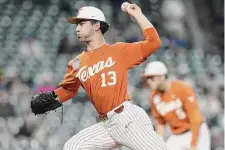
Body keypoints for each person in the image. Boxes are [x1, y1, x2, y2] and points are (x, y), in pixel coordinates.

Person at [31, 3, 168, 150]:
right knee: (73, 146)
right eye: (77, 25)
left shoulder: (118, 51)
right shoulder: (76, 63)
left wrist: (138, 15)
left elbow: (153, 42)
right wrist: (53, 97)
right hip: (106, 125)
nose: (77, 28)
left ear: (96, 25)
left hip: (127, 119)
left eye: (82, 23)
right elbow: (68, 90)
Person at [143, 61, 210, 150]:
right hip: (177, 135)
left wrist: (193, 145)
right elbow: (160, 123)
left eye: (151, 78)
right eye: (147, 78)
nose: (148, 81)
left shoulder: (182, 88)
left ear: (161, 76)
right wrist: (158, 145)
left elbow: (195, 119)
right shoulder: (154, 96)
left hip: (196, 131)